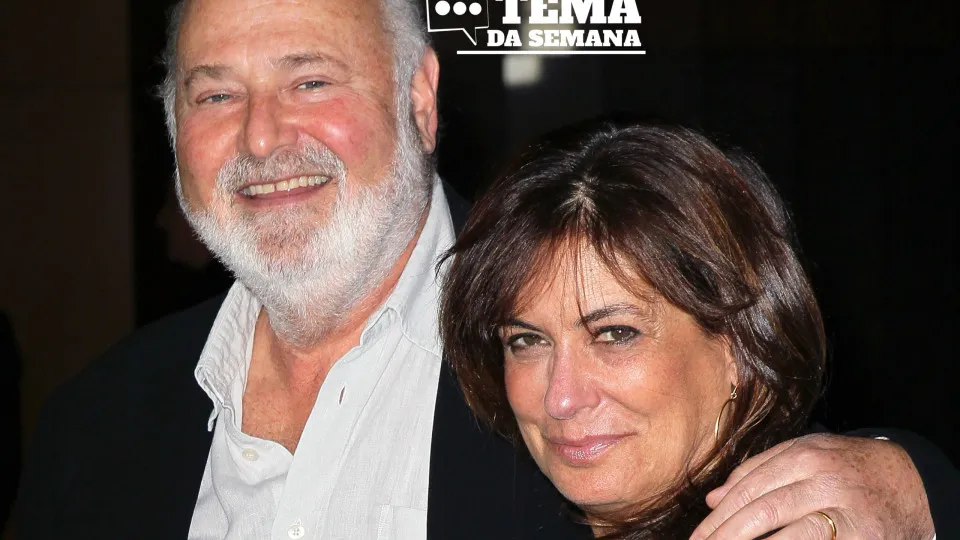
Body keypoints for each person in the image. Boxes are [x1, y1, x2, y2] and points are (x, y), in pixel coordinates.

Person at [14, 1, 957, 539]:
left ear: (420, 99)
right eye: (215, 94)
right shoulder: (88, 425)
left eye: (311, 80)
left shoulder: (565, 358)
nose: (262, 137)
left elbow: (774, 455)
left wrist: (920, 489)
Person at [440, 117, 958, 538]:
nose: (561, 398)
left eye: (615, 333)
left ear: (739, 344)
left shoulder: (826, 524)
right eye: (527, 340)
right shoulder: (494, 505)